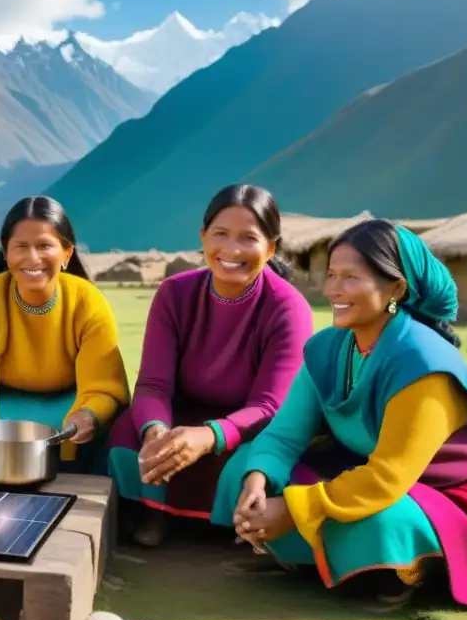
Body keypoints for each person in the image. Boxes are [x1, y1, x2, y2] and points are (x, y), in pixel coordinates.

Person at [218, 219, 467, 608]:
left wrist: (295, 511)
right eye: (331, 275)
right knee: (244, 466)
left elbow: (387, 478)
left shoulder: (424, 363)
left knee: (377, 522)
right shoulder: (329, 347)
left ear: (395, 288)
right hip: (359, 473)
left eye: (350, 278)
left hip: (442, 495)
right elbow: (284, 435)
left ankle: (406, 570)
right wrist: (258, 481)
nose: (333, 290)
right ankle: (338, 560)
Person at [107, 184, 314, 547]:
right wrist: (157, 432)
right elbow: (153, 385)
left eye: (248, 238)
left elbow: (269, 407)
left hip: (246, 425)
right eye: (220, 234)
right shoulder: (174, 293)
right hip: (182, 414)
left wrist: (210, 436)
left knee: (255, 460)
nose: (231, 250)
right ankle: (155, 511)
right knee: (128, 431)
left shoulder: (288, 308)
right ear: (203, 237)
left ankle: (217, 527)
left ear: (271, 248)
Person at [0, 196, 129, 473]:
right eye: (21, 247)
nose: (33, 258)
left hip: (71, 406)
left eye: (44, 246)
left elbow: (103, 385)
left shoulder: (88, 301)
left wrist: (89, 414)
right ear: (6, 252)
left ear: (67, 253)